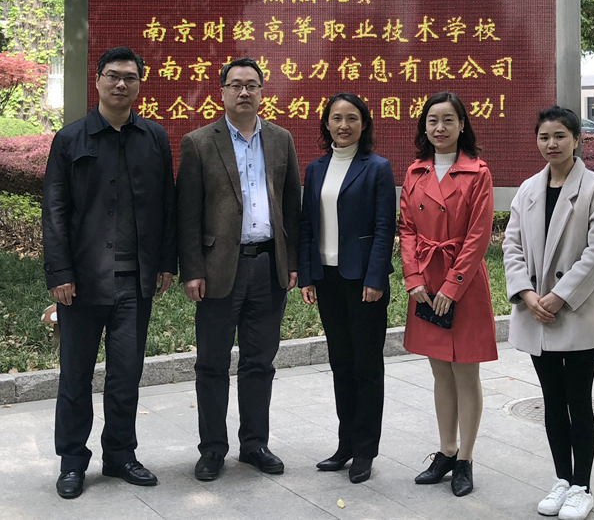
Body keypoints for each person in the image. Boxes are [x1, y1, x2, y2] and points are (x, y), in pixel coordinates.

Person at [42, 46, 177, 499]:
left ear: (140, 84)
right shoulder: (70, 139)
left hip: (135, 282)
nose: (121, 84)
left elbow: (167, 205)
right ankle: (72, 462)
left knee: (125, 376)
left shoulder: (154, 138)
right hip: (82, 282)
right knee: (75, 377)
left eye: (130, 77)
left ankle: (120, 455)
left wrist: (166, 262)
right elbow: (54, 210)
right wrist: (59, 272)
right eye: (113, 76)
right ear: (98, 80)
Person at [176, 57, 301, 482]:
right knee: (212, 364)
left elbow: (292, 206)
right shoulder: (198, 142)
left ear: (262, 91)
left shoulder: (281, 140)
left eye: (251, 85)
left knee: (259, 362)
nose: (244, 92)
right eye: (235, 85)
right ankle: (212, 448)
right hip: (217, 270)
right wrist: (192, 269)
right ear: (223, 92)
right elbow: (187, 214)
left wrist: (292, 262)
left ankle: (254, 444)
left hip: (268, 266)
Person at [502, 106, 594, 520]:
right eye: (544, 137)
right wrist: (526, 293)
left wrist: (560, 296)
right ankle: (562, 480)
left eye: (560, 136)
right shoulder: (528, 189)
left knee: (578, 401)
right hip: (536, 312)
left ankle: (582, 486)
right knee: (551, 401)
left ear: (576, 140)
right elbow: (511, 245)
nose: (551, 144)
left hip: (576, 312)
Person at [399, 91, 496, 497]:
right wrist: (414, 277)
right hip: (425, 284)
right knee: (440, 371)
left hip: (464, 284)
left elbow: (478, 235)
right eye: (432, 121)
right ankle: (446, 450)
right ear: (424, 127)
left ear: (462, 125)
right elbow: (406, 229)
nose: (440, 128)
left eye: (448, 120)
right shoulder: (415, 172)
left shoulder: (478, 172)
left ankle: (465, 459)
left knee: (465, 373)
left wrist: (452, 287)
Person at [298, 93, 396, 484]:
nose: (344, 125)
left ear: (364, 124)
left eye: (352, 118)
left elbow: (385, 227)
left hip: (363, 281)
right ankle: (345, 445)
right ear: (326, 124)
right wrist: (307, 275)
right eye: (336, 118)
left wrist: (375, 277)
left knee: (367, 366)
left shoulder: (377, 168)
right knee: (341, 363)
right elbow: (307, 224)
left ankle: (365, 450)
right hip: (327, 278)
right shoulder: (316, 169)